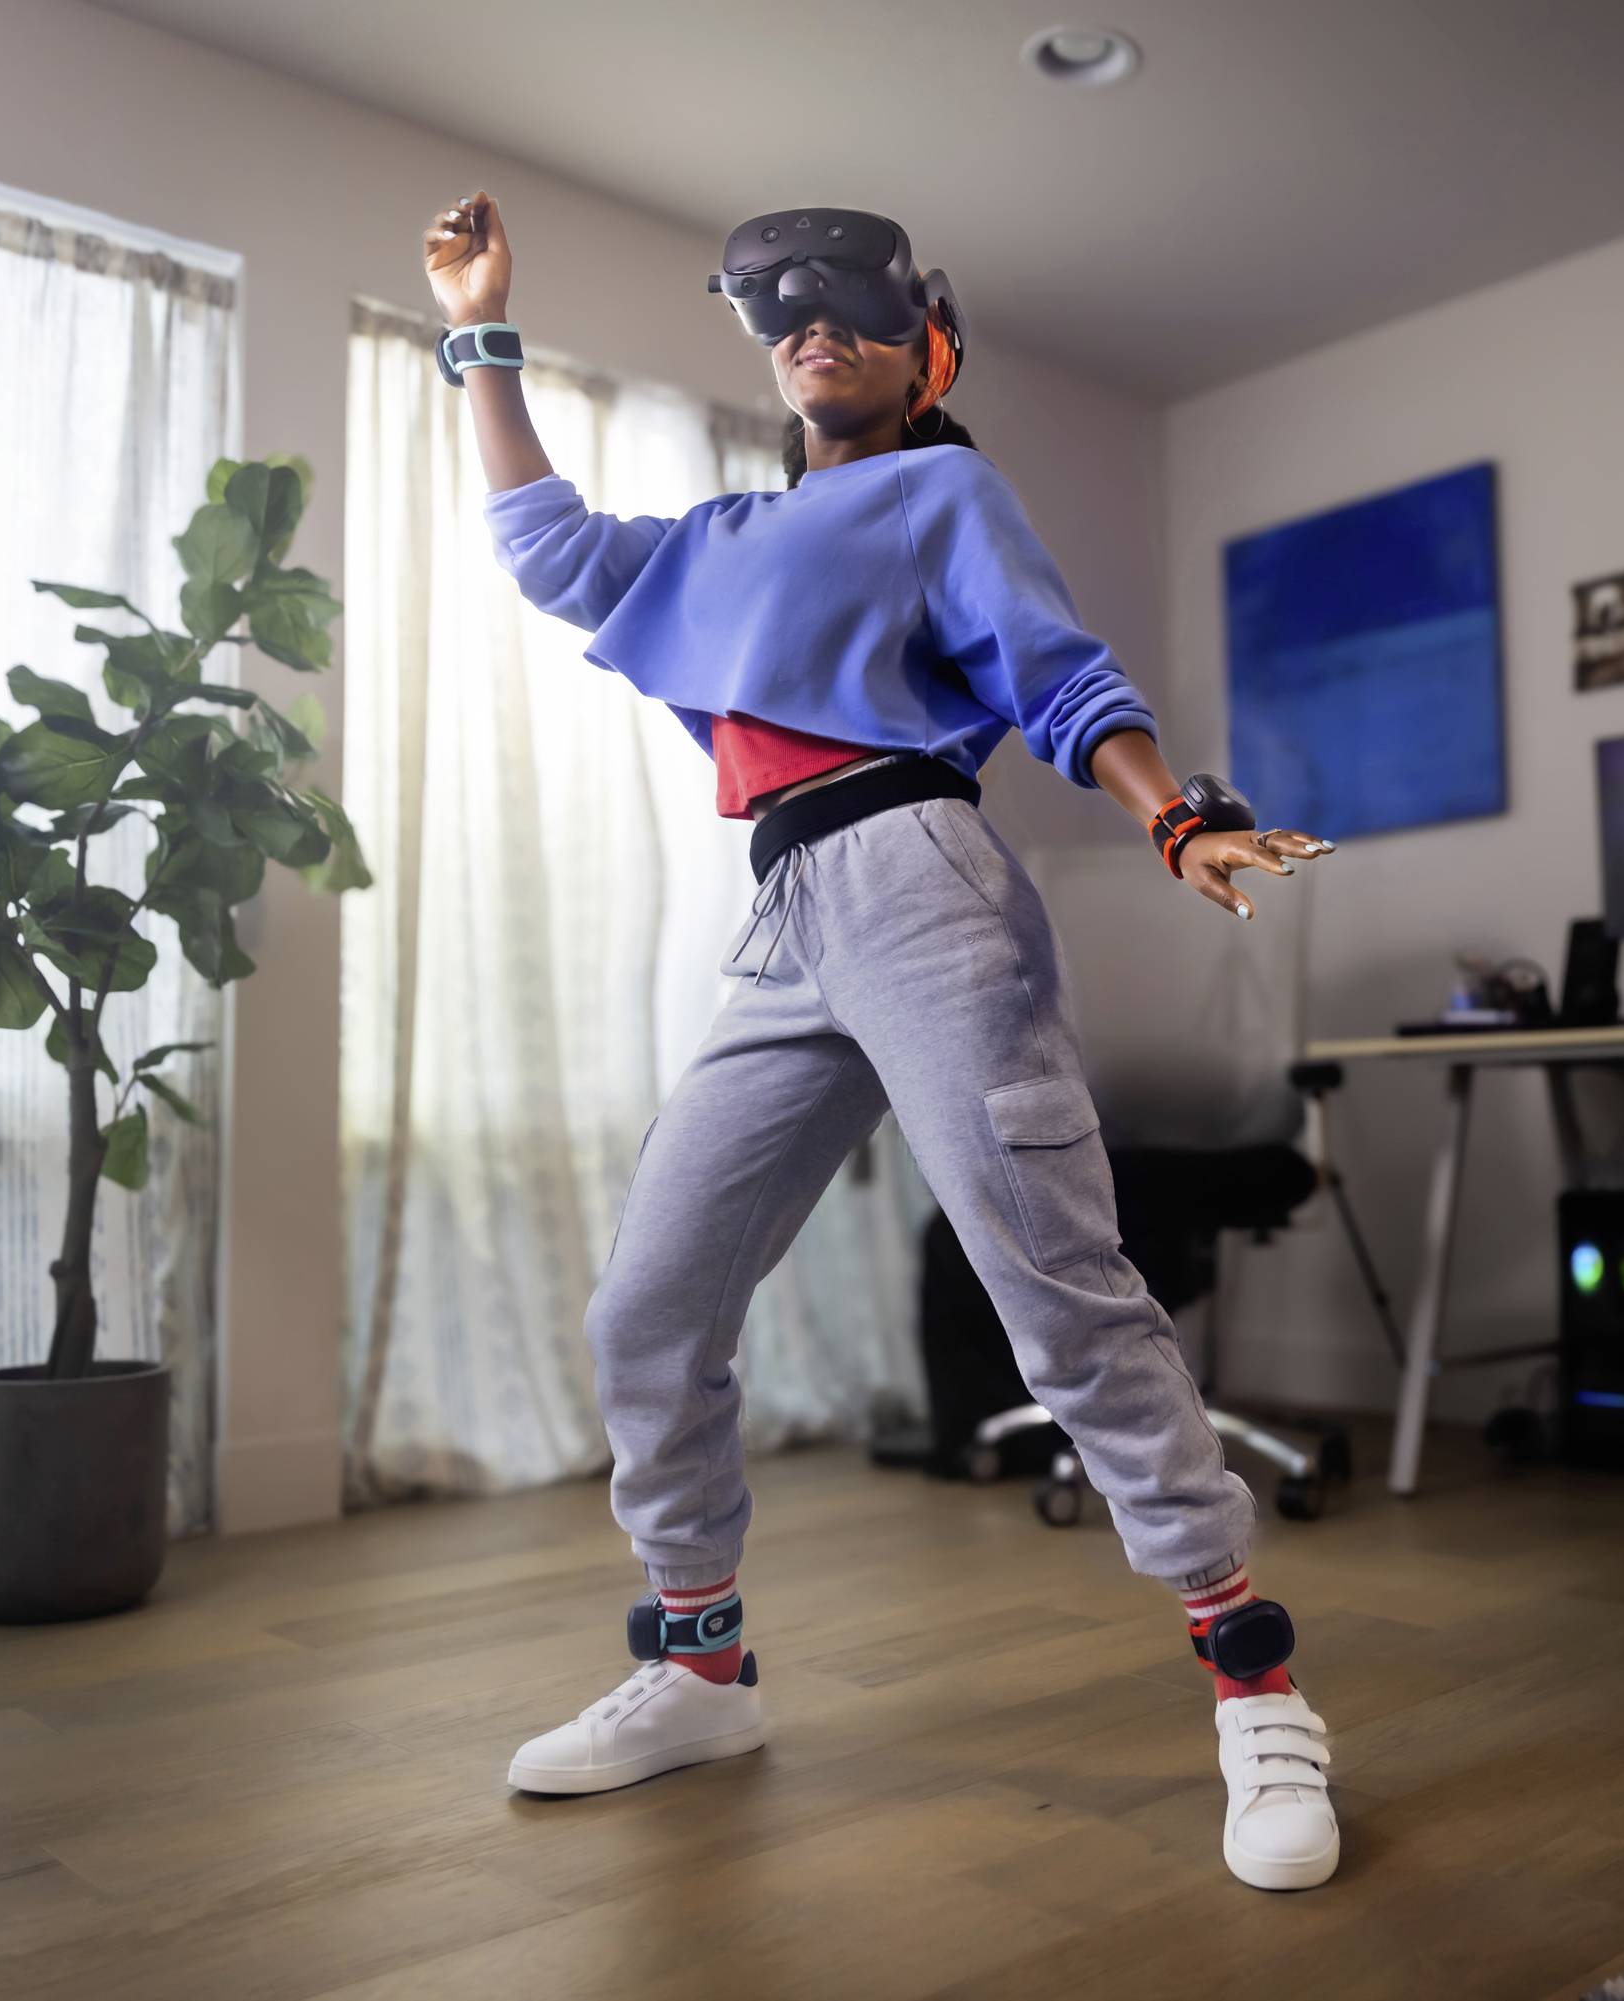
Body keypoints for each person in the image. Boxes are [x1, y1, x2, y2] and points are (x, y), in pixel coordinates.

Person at [416, 194, 1342, 1893]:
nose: (813, 333)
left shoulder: (942, 494)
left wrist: (1175, 817)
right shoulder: (718, 544)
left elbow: (1060, 676)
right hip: (785, 922)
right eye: (786, 320)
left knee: (1058, 1297)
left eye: (852, 312)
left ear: (932, 357)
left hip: (923, 885)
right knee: (649, 1304)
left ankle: (1255, 1681)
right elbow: (547, 548)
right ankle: (701, 1667)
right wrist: (479, 328)